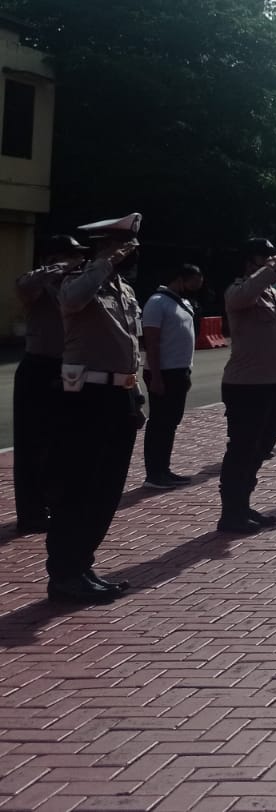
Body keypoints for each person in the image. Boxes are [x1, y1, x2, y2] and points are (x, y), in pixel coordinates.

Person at [46, 214, 143, 603]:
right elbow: (71, 301)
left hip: (119, 397)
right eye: (124, 245)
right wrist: (104, 263)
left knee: (107, 489)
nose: (131, 252)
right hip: (85, 397)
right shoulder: (75, 280)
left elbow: (133, 349)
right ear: (104, 246)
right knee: (77, 488)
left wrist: (137, 398)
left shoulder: (124, 290)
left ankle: (82, 565)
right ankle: (64, 574)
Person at [13, 233, 90, 535]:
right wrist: (52, 270)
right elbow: (23, 286)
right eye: (73, 256)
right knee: (33, 445)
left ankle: (53, 502)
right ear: (54, 257)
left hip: (71, 367)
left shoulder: (75, 286)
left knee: (65, 441)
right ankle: (30, 513)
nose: (79, 261)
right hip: (40, 367)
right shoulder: (38, 283)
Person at [218, 239, 276, 534]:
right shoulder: (238, 292)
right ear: (250, 263)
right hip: (246, 385)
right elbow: (244, 295)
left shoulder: (272, 296)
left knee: (261, 449)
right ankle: (230, 514)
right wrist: (268, 270)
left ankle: (242, 504)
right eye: (265, 260)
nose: (274, 267)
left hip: (273, 384)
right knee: (241, 450)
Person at [141, 263, 203, 490]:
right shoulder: (157, 303)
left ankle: (164, 469)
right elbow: (152, 343)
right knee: (159, 423)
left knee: (170, 424)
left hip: (179, 371)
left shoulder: (184, 303)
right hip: (162, 372)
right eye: (194, 282)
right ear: (180, 279)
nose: (196, 287)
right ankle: (154, 474)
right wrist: (156, 377)